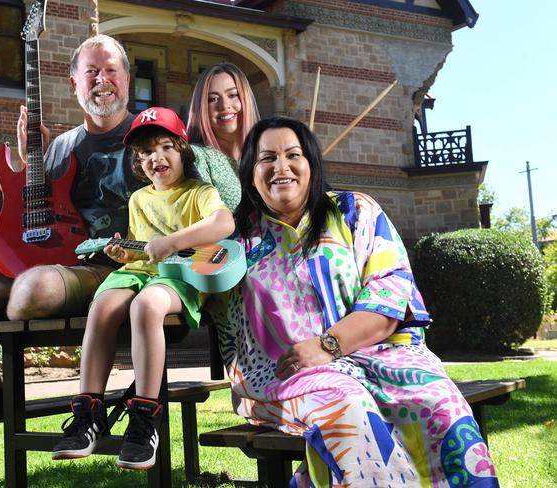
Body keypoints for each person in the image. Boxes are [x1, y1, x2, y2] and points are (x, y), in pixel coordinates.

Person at [223, 116, 499, 486]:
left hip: (381, 355)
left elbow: (391, 294)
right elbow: (188, 283)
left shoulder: (355, 212)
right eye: (266, 158)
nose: (281, 167)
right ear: (251, 172)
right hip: (284, 373)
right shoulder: (236, 241)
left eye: (293, 155)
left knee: (441, 404)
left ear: (312, 164)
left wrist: (327, 345)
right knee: (348, 405)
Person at [0, 35, 137, 416]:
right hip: (45, 257)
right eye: (92, 72)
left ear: (126, 78)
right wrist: (28, 161)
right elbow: (40, 206)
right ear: (74, 84)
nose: (102, 80)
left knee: (29, 290)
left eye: (111, 70)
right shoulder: (62, 146)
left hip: (102, 265)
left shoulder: (147, 139)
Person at [51, 107, 235, 470]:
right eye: (146, 153)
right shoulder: (138, 199)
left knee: (146, 306)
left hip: (178, 277)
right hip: (141, 270)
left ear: (182, 151)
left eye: (165, 147)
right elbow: (141, 251)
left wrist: (172, 241)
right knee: (102, 305)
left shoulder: (199, 192)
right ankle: (88, 414)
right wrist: (123, 252)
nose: (156, 158)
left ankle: (144, 419)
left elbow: (223, 223)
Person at [187, 62, 259, 211]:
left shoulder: (263, 155)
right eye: (213, 99)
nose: (224, 105)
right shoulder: (196, 156)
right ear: (201, 108)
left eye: (233, 95)